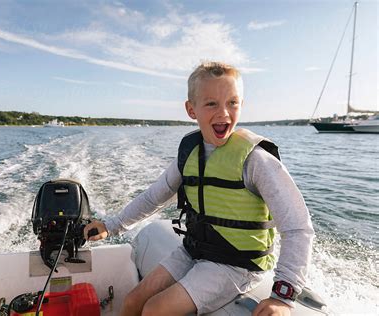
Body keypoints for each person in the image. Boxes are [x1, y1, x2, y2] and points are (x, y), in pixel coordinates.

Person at [84, 62, 314, 316]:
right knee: (132, 301)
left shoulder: (256, 161)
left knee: (155, 310)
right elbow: (153, 198)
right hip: (194, 249)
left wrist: (283, 296)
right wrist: (110, 225)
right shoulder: (189, 153)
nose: (224, 113)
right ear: (191, 110)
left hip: (238, 264)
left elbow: (297, 226)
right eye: (212, 104)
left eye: (232, 103)